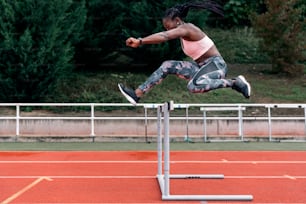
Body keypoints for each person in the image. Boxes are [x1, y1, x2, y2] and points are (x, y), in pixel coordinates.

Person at [118, 1, 251, 105]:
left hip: (216, 66)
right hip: (201, 67)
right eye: (166, 28)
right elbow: (166, 34)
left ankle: (234, 83)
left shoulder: (187, 28)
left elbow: (164, 36)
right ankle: (137, 94)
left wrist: (140, 41)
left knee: (193, 86)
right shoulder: (182, 34)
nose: (168, 30)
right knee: (167, 65)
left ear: (177, 20)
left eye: (169, 27)